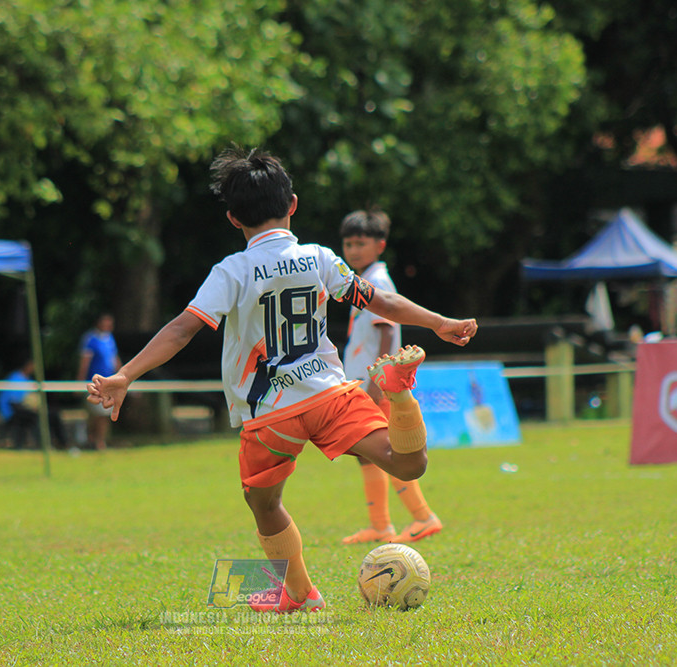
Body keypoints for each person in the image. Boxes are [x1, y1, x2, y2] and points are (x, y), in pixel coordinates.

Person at [87, 146, 477, 614]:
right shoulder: (318, 258)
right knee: (408, 464)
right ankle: (399, 395)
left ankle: (299, 594)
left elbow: (182, 328)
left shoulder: (231, 271)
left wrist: (125, 374)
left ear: (233, 219)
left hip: (270, 411)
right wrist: (439, 322)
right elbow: (380, 302)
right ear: (292, 204)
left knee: (263, 502)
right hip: (330, 392)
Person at [339, 209, 443, 545]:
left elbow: (386, 332)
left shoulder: (377, 282)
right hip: (363, 382)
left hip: (375, 386)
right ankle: (380, 525)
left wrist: (377, 384)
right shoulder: (363, 279)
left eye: (360, 243)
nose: (353, 250)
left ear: (380, 245)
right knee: (368, 453)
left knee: (388, 453)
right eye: (348, 243)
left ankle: (422, 516)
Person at [0, 354, 69, 450]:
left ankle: (63, 444)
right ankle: (44, 446)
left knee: (54, 415)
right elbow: (14, 403)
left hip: (27, 410)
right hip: (12, 412)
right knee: (38, 417)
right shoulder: (14, 379)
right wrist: (33, 408)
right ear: (27, 365)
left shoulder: (28, 380)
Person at [77, 314, 121, 450]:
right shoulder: (90, 339)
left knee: (103, 414)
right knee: (95, 414)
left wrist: (123, 377)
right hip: (94, 383)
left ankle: (99, 441)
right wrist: (79, 381)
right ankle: (93, 440)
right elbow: (85, 362)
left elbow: (115, 359)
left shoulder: (110, 339)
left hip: (109, 383)